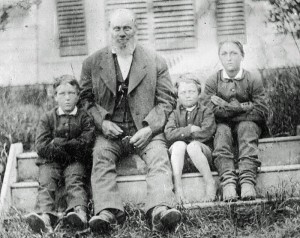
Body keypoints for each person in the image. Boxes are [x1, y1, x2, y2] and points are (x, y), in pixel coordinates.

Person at [79, 8, 181, 233]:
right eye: (117, 28)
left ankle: (159, 210)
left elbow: (166, 100)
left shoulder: (155, 61)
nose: (122, 33)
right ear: (109, 30)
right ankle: (108, 212)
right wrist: (102, 123)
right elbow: (85, 100)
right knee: (101, 156)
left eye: (127, 28)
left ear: (135, 28)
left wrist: (149, 128)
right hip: (110, 132)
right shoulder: (92, 63)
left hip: (145, 131)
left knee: (158, 157)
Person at [25, 75, 95, 233]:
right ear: (55, 96)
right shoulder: (48, 118)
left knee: (75, 180)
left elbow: (86, 142)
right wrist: (69, 147)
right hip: (50, 161)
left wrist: (57, 142)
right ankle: (46, 217)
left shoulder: (84, 117)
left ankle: (80, 214)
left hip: (76, 161)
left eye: (71, 93)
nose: (67, 98)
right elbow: (42, 146)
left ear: (78, 96)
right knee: (46, 181)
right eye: (62, 94)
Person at [202, 40, 268, 201]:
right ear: (219, 58)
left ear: (242, 56)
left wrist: (225, 107)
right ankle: (228, 182)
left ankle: (247, 181)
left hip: (249, 125)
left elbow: (261, 111)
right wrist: (242, 108)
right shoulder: (213, 81)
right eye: (224, 54)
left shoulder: (252, 79)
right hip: (222, 126)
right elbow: (208, 111)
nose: (229, 58)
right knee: (222, 131)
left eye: (234, 53)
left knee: (246, 128)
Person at [164, 74, 217, 204]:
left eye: (192, 91)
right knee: (178, 145)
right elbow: (169, 134)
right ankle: (178, 188)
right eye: (183, 92)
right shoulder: (174, 114)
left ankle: (210, 183)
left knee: (192, 146)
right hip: (180, 159)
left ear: (199, 93)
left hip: (201, 155)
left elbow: (206, 132)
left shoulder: (206, 111)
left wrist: (182, 134)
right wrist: (190, 129)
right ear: (178, 96)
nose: (187, 95)